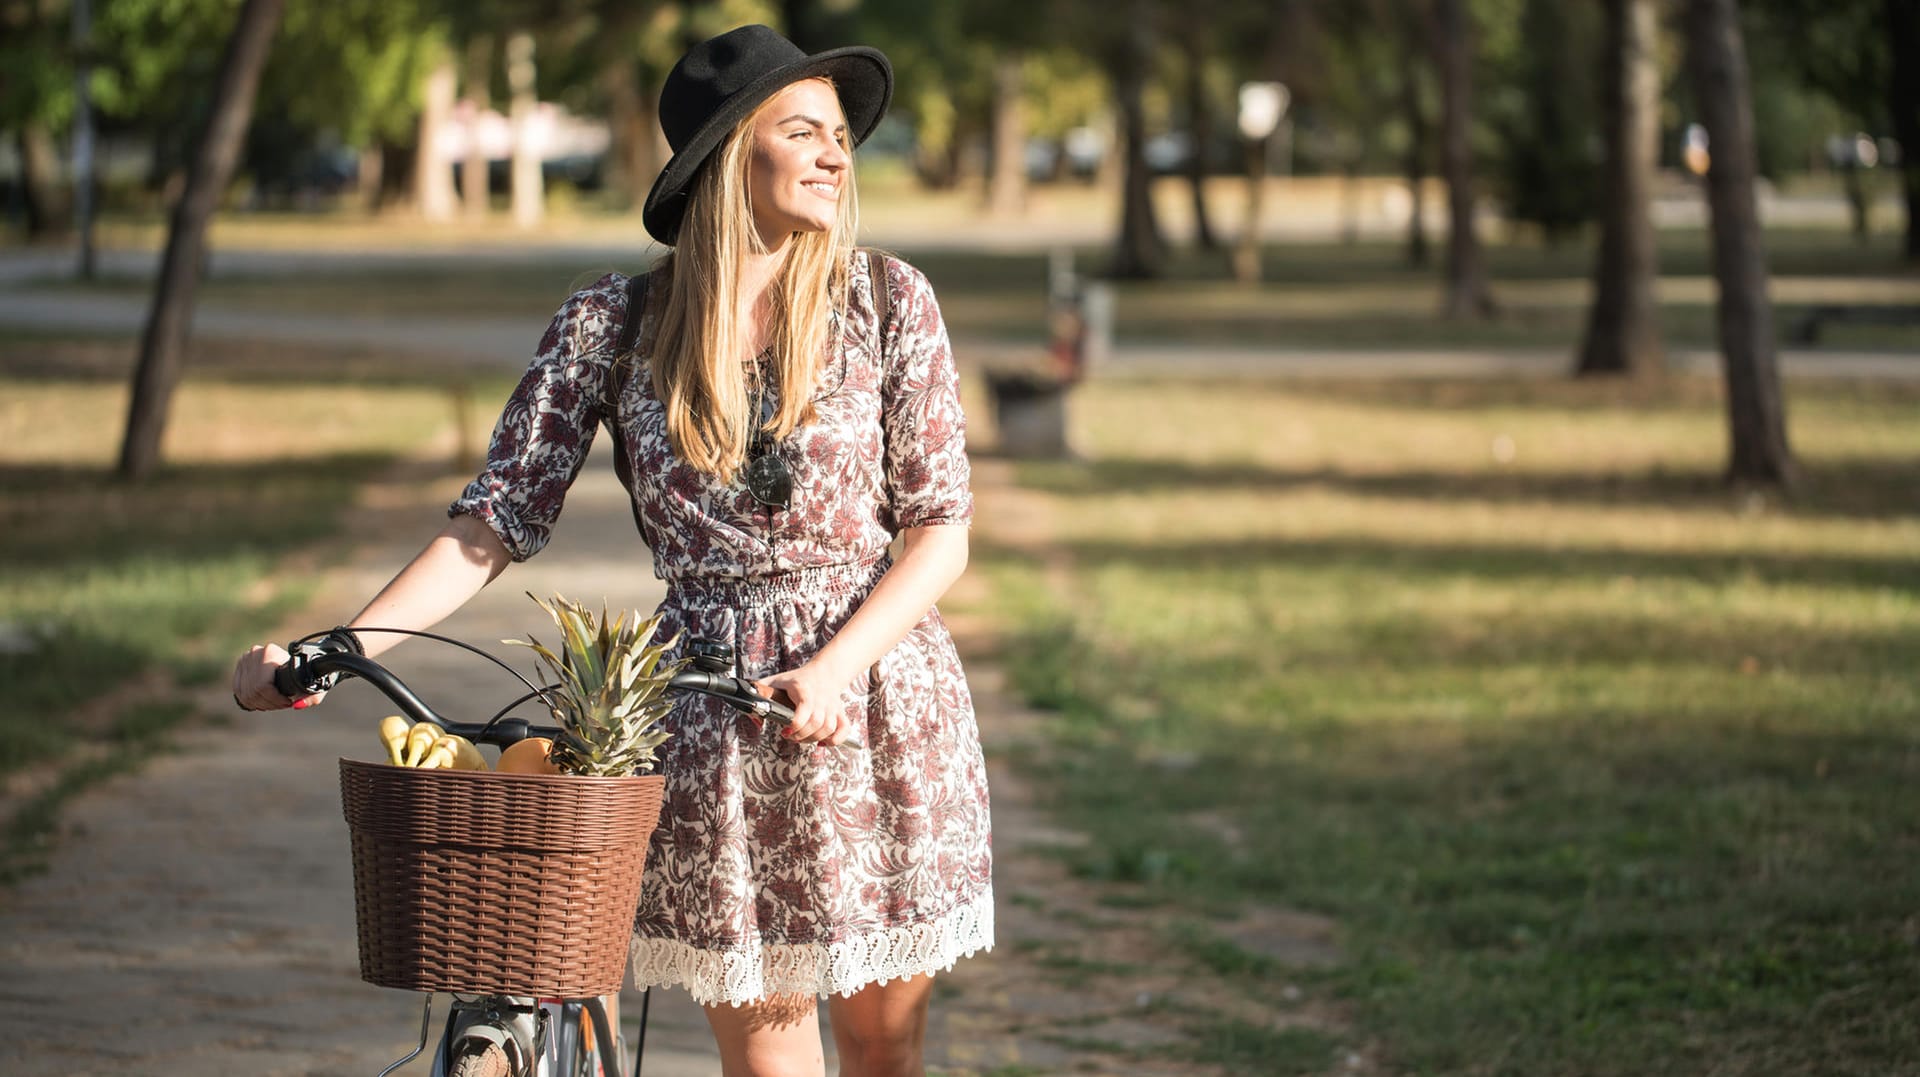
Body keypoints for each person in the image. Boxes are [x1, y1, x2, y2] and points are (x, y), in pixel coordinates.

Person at [231, 24, 992, 1077]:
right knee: (771, 1051)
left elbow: (938, 536)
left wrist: (835, 667)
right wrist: (331, 647)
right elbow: (489, 524)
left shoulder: (888, 301)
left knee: (880, 1046)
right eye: (804, 130)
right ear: (731, 151)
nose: (836, 154)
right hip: (713, 719)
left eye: (840, 136)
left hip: (876, 707)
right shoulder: (613, 324)